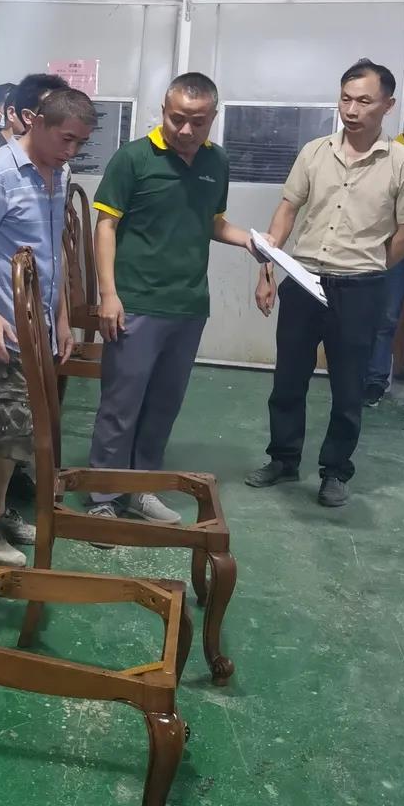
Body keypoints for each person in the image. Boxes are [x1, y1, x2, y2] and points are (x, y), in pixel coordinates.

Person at [84, 74, 263, 538]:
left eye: (197, 122)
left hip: (188, 305)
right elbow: (106, 226)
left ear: (212, 118)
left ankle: (142, 487)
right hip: (137, 302)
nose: (185, 130)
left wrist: (251, 241)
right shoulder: (133, 159)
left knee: (163, 404)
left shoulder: (216, 162)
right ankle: (103, 497)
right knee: (121, 405)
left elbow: (213, 222)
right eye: (176, 118)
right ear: (164, 110)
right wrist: (108, 294)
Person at [246, 59, 404, 507]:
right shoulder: (314, 152)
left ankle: (335, 471)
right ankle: (283, 459)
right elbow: (288, 210)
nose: (351, 109)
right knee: (288, 379)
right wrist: (268, 268)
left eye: (364, 101)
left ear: (387, 105)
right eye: (346, 99)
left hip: (360, 288)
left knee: (349, 388)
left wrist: (374, 265)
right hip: (303, 280)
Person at [0, 85, 98, 565]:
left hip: (41, 326)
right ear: (36, 122)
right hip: (5, 327)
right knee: (10, 431)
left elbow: (51, 251)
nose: (71, 151)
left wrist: (61, 318)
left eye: (80, 143)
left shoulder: (58, 172)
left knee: (25, 430)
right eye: (66, 139)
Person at [365, 85, 404, 410]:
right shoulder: (392, 151)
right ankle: (374, 382)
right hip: (397, 250)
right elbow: (377, 200)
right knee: (385, 318)